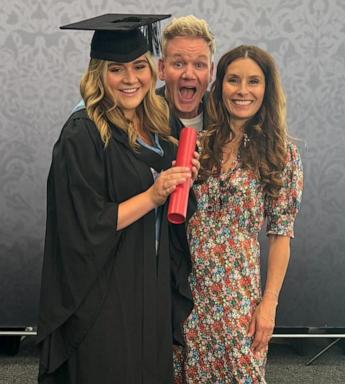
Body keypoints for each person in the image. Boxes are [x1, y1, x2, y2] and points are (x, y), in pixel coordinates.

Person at [37, 14, 199, 384]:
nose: (130, 79)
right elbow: (82, 224)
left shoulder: (161, 121)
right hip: (104, 289)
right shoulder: (82, 134)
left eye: (139, 66)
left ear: (151, 69)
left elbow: (178, 200)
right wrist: (153, 194)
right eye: (116, 69)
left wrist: (187, 174)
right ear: (99, 74)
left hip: (150, 280)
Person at [174, 45, 304, 383]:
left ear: (266, 88)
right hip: (188, 295)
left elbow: (280, 235)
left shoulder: (281, 155)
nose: (243, 91)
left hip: (240, 300)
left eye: (253, 82)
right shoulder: (197, 145)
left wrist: (269, 305)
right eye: (233, 80)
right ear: (220, 86)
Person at [157, 15, 215, 137]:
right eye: (178, 64)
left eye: (199, 65)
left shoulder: (224, 114)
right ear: (162, 69)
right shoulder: (142, 115)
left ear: (211, 72)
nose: (188, 75)